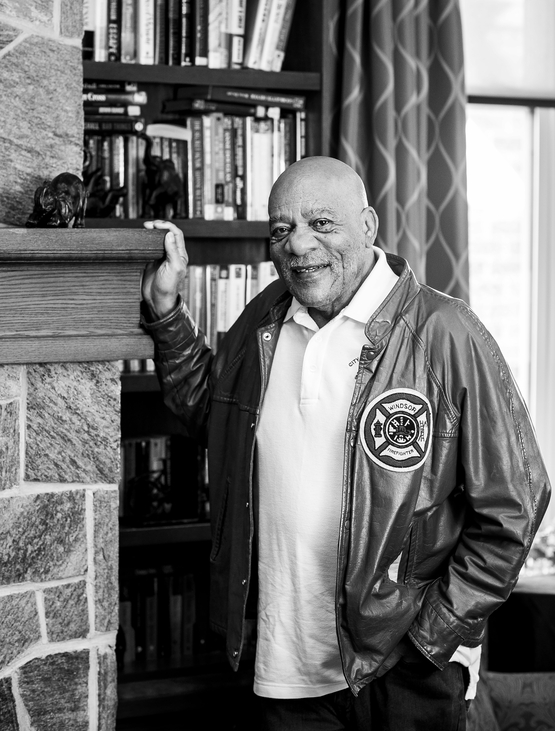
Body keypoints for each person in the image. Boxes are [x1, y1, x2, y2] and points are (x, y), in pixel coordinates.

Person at [141, 156, 551, 730]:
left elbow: (518, 499)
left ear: (368, 225)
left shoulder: (445, 332)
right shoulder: (265, 319)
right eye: (281, 229)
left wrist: (434, 632)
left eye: (321, 224)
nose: (297, 244)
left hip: (405, 667)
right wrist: (166, 312)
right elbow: (209, 411)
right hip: (287, 663)